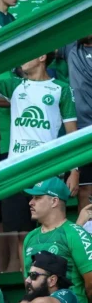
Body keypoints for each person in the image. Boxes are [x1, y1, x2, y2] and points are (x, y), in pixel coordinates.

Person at [0, 53, 78, 246]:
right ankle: (28, 276)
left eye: (29, 53)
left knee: (50, 227)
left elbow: (72, 133)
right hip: (17, 169)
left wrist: (74, 170)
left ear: (42, 56)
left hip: (47, 169)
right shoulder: (14, 84)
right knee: (22, 235)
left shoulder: (61, 89)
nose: (22, 59)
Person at [22, 178, 92, 303]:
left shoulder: (75, 233)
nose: (30, 202)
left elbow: (91, 283)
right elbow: (28, 282)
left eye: (37, 198)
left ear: (54, 201)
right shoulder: (30, 237)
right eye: (32, 198)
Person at [57, 34, 92, 207]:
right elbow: (44, 49)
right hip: (82, 130)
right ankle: (85, 233)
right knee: (86, 190)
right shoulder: (71, 46)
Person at [12, 251, 78, 303]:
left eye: (33, 275)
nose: (27, 280)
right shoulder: (31, 301)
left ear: (52, 280)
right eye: (29, 275)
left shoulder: (67, 294)